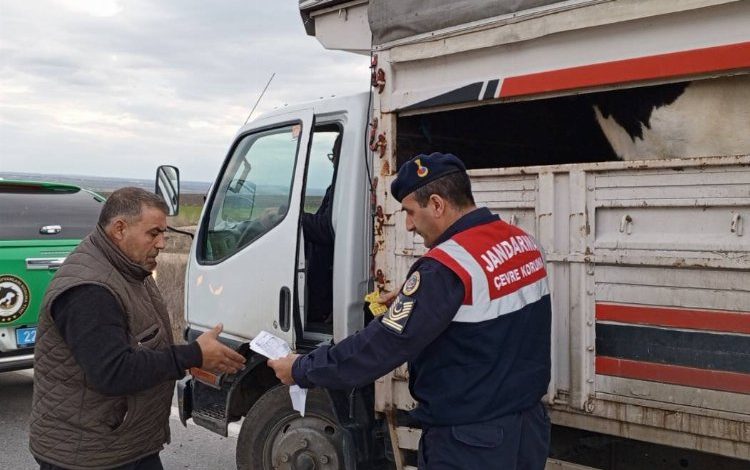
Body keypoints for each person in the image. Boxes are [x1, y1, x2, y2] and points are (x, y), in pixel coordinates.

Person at [268, 153, 552, 469]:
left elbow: (381, 346)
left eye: (410, 212)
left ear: (437, 204)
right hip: (528, 429)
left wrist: (303, 369)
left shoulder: (444, 268)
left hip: (471, 443)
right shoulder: (521, 242)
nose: (408, 224)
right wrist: (418, 298)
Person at [29, 187, 246, 470]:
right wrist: (193, 355)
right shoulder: (90, 290)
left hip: (122, 445)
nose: (162, 243)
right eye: (153, 233)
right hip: (89, 455)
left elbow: (140, 344)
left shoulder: (128, 268)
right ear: (120, 229)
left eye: (164, 233)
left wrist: (194, 356)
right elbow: (113, 372)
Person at [299, 134, 340, 323]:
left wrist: (293, 218)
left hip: (329, 277)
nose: (332, 162)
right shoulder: (337, 187)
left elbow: (325, 229)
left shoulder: (342, 189)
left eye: (334, 156)